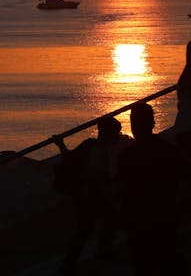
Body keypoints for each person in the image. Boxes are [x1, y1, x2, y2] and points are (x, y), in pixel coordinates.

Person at [116, 102, 191, 275]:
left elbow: (120, 188)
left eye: (136, 122)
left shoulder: (127, 155)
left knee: (146, 265)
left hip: (143, 221)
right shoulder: (169, 150)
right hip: (162, 219)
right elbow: (186, 180)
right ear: (153, 123)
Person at [53, 115, 131, 274]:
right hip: (88, 197)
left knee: (98, 225)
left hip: (88, 196)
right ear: (105, 133)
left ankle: (77, 260)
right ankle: (71, 263)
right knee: (90, 228)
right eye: (115, 133)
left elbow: (70, 159)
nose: (117, 136)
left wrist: (61, 144)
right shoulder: (97, 150)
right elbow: (98, 178)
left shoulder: (90, 146)